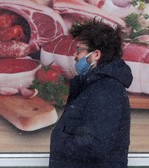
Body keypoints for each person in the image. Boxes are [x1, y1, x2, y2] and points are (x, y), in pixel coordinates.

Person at [49, 18, 133, 168]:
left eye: (79, 50)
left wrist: (60, 140)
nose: (75, 55)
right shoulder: (94, 86)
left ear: (96, 55)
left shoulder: (107, 90)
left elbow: (94, 145)